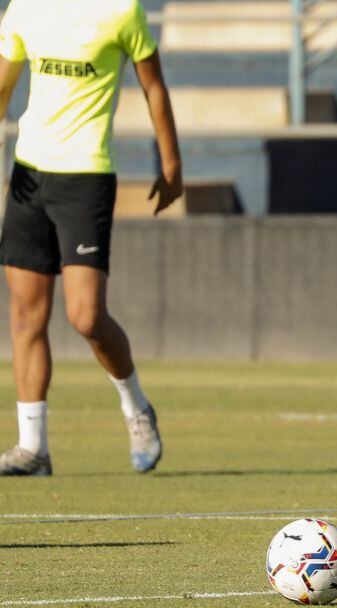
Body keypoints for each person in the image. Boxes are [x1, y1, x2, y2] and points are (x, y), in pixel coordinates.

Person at [0, 0, 182, 476]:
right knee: (24, 316)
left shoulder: (123, 10)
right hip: (29, 175)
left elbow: (153, 86)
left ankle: (136, 407)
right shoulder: (24, 8)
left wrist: (172, 164)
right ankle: (33, 447)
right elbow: (3, 84)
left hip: (86, 177)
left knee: (85, 316)